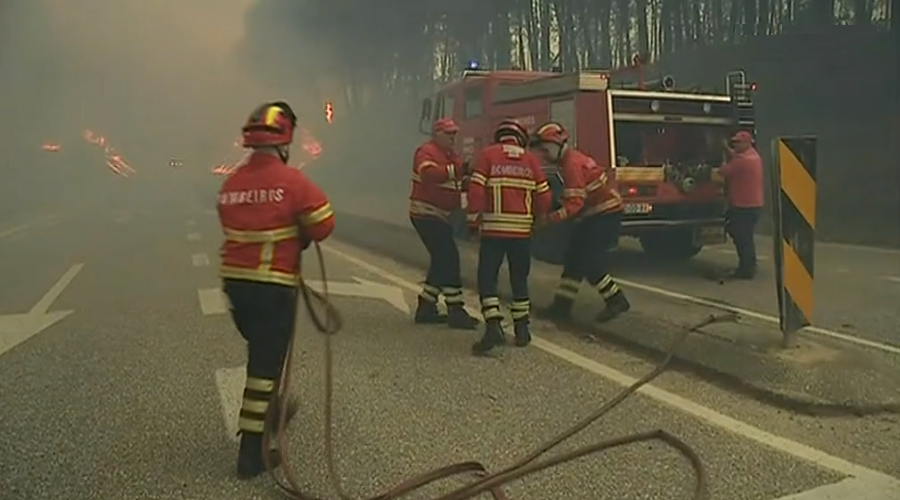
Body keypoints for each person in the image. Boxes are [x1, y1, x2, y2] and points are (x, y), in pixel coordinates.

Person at [217, 101, 335, 479]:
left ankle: (271, 409)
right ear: (285, 143)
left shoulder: (232, 182)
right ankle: (251, 454)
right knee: (264, 369)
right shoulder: (292, 181)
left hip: (236, 287)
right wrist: (297, 233)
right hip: (272, 287)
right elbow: (323, 224)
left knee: (261, 357)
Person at [529, 122, 630, 323]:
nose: (544, 155)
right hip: (596, 214)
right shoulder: (571, 160)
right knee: (573, 258)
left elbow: (575, 204)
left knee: (588, 261)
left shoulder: (571, 165)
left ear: (558, 145)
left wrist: (550, 219)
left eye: (546, 149)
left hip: (604, 215)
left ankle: (617, 300)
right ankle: (561, 307)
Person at [467, 119, 552, 354]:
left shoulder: (487, 155)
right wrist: (538, 218)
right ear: (520, 138)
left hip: (494, 231)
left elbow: (475, 190)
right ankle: (522, 330)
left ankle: (493, 325)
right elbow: (544, 196)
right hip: (522, 233)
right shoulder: (531, 160)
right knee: (519, 280)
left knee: (488, 277)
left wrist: (473, 220)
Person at [409, 118, 479, 329]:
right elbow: (429, 174)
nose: (453, 137)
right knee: (448, 257)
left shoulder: (452, 157)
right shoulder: (426, 152)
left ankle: (427, 306)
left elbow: (459, 185)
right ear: (436, 134)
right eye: (448, 134)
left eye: (454, 134)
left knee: (441, 259)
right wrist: (461, 169)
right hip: (426, 213)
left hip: (442, 215)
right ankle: (455, 308)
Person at [717, 130, 764, 279]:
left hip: (743, 205)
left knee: (742, 237)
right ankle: (749, 265)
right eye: (734, 142)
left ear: (747, 143)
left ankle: (746, 269)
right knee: (745, 236)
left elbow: (722, 171)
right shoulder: (754, 156)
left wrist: (723, 159)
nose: (735, 145)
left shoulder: (742, 161)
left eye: (738, 143)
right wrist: (727, 149)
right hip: (754, 204)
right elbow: (736, 157)